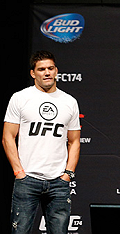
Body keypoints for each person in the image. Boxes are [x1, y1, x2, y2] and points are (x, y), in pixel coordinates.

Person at [3, 51, 81, 234]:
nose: (47, 73)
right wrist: (19, 171)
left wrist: (68, 174)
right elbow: (8, 136)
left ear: (56, 71)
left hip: (58, 182)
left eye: (50, 68)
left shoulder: (69, 102)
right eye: (41, 69)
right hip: (27, 179)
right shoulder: (20, 98)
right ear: (33, 73)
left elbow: (75, 141)